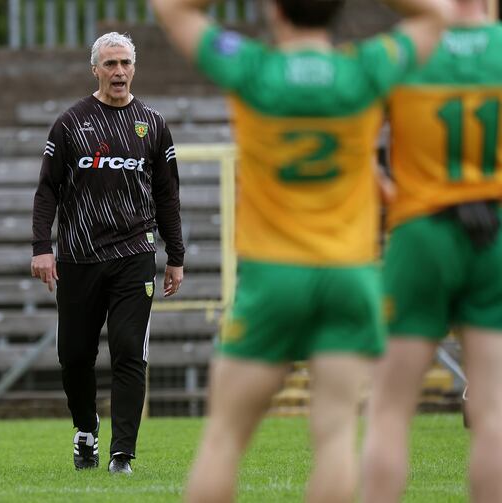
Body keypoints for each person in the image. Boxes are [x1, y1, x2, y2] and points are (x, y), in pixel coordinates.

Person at [150, 0, 450, 500]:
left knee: (224, 439)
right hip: (349, 274)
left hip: (274, 274)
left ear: (275, 9)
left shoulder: (252, 68)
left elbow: (173, 9)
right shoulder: (365, 68)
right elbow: (435, 15)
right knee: (335, 436)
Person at [362, 1, 502, 501]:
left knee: (390, 408)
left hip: (421, 230)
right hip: (494, 229)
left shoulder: (402, 49)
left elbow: (356, 145)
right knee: (492, 411)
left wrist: (389, 194)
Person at [31, 31, 185, 475]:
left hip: (134, 254)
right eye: (110, 64)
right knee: (74, 356)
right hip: (78, 256)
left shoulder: (153, 124)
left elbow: (167, 195)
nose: (119, 71)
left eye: (125, 63)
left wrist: (175, 256)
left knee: (129, 351)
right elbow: (47, 190)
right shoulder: (70, 123)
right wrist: (42, 247)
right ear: (95, 69)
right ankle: (86, 428)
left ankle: (122, 455)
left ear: (134, 68)